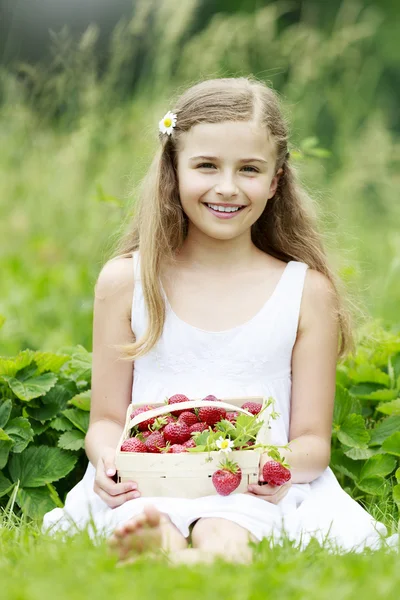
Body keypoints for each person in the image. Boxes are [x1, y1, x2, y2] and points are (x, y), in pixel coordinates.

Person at [42, 76, 399, 563]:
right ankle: (158, 544)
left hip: (252, 484)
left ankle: (208, 556)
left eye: (249, 169)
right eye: (206, 165)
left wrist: (272, 469)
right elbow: (106, 420)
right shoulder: (127, 281)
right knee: (144, 512)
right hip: (148, 476)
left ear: (275, 181)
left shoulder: (305, 292)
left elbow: (312, 443)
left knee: (230, 522)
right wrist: (108, 460)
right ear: (173, 169)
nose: (227, 187)